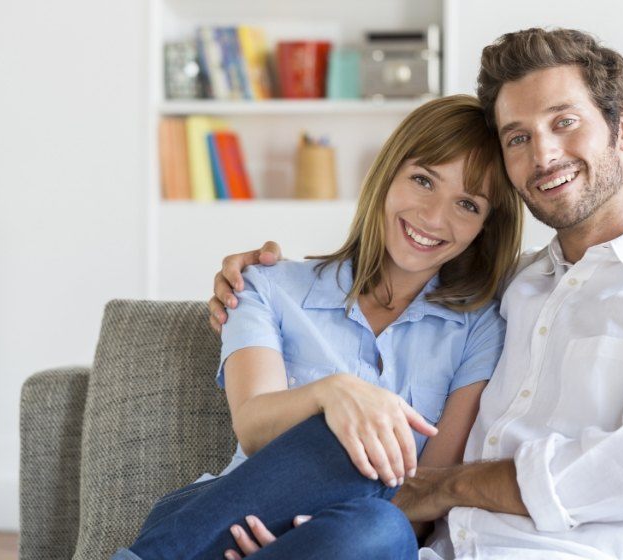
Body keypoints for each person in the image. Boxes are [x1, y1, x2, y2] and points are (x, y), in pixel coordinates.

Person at [210, 28, 623, 560]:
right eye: (519, 138)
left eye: (564, 122)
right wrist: (249, 278)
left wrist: (443, 488)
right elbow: (407, 264)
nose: (544, 155)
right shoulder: (515, 287)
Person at [111, 94, 524, 560]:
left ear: (485, 226)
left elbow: (427, 492)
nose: (434, 216)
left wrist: (303, 540)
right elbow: (253, 426)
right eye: (423, 180)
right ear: (388, 174)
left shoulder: (480, 328)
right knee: (350, 435)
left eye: (467, 204)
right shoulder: (265, 286)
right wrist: (334, 393)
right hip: (215, 521)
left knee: (383, 529)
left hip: (345, 542)